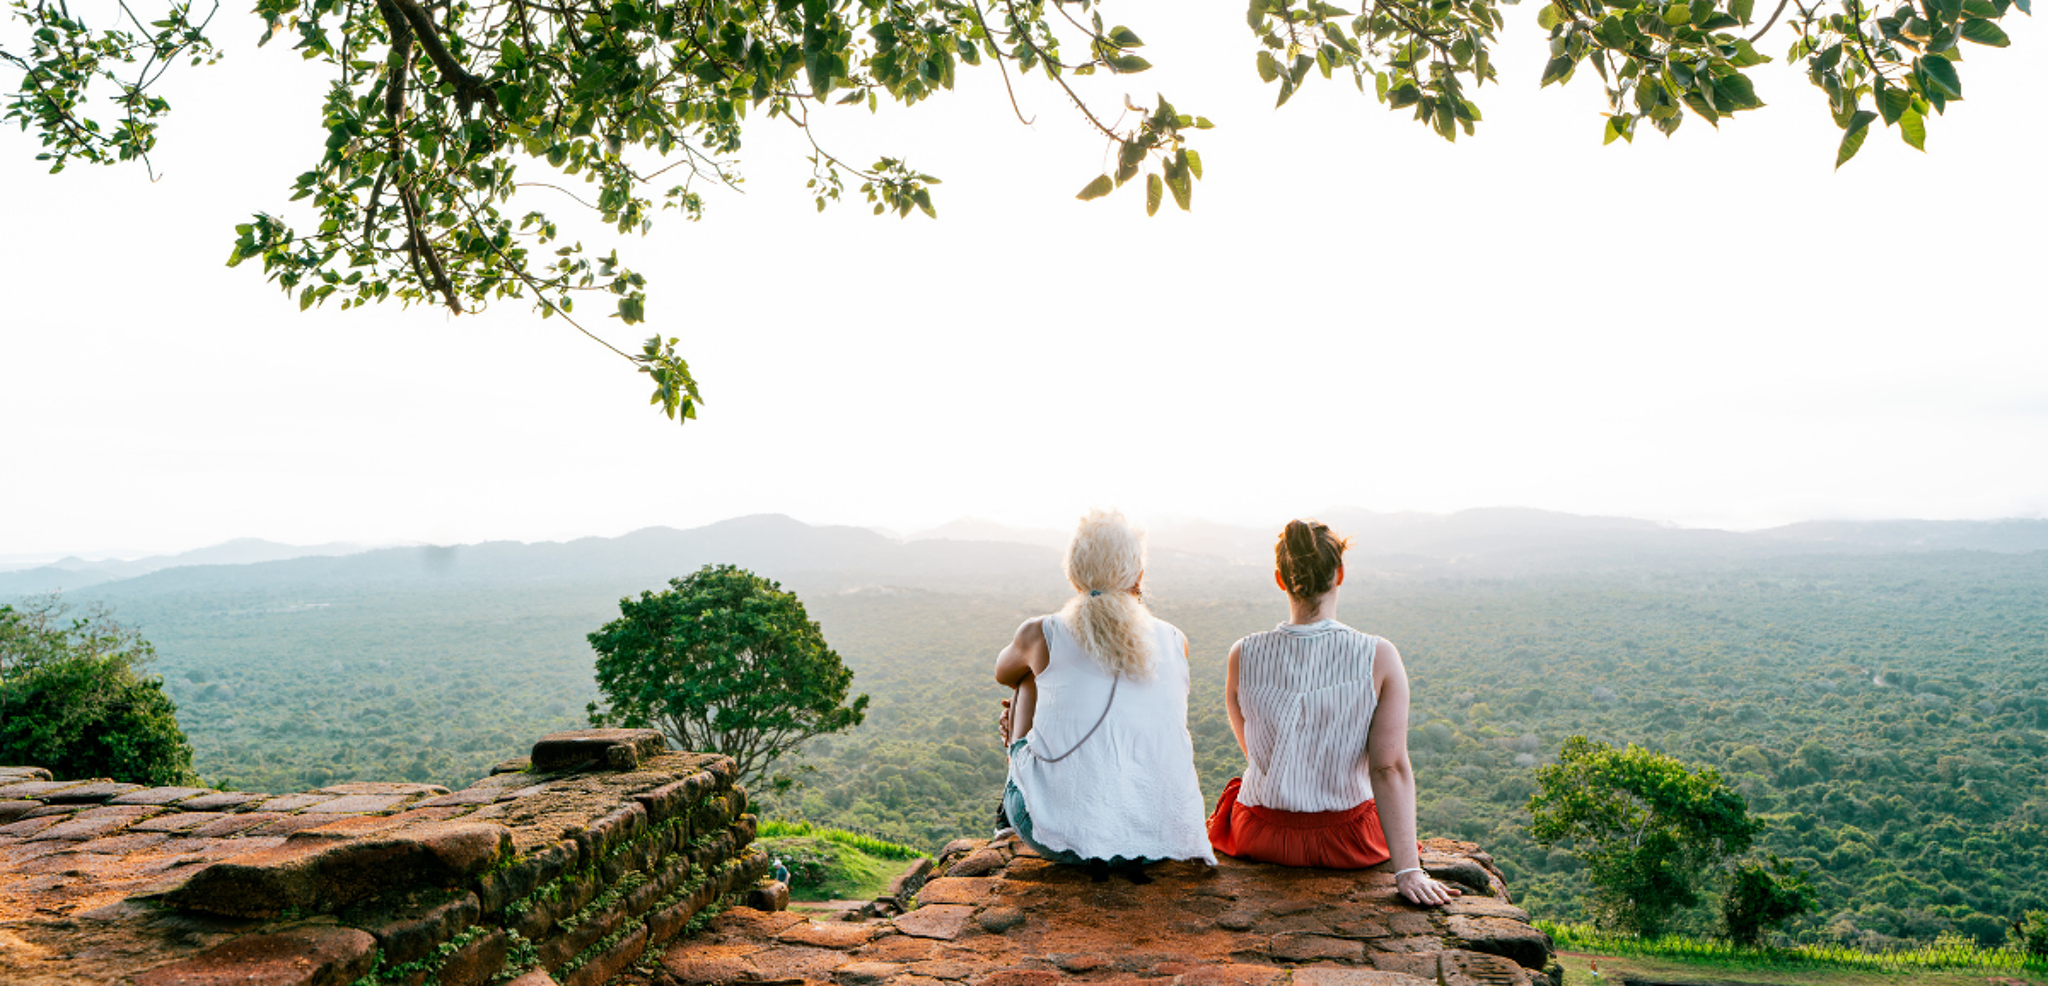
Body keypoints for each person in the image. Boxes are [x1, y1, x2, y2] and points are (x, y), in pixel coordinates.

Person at [1207, 519, 1461, 906]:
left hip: (1259, 835)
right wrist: (1409, 870)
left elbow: (1255, 752)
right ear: (1339, 574)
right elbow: (1388, 768)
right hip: (1346, 843)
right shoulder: (1378, 655)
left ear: (1280, 579)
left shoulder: (1242, 654)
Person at [993, 509, 1216, 879]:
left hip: (1057, 837)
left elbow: (1003, 673)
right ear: (1138, 575)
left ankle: (1012, 804)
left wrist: (1022, 718)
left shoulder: (1041, 633)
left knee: (1027, 676)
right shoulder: (1175, 640)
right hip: (1155, 841)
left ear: (1074, 571)